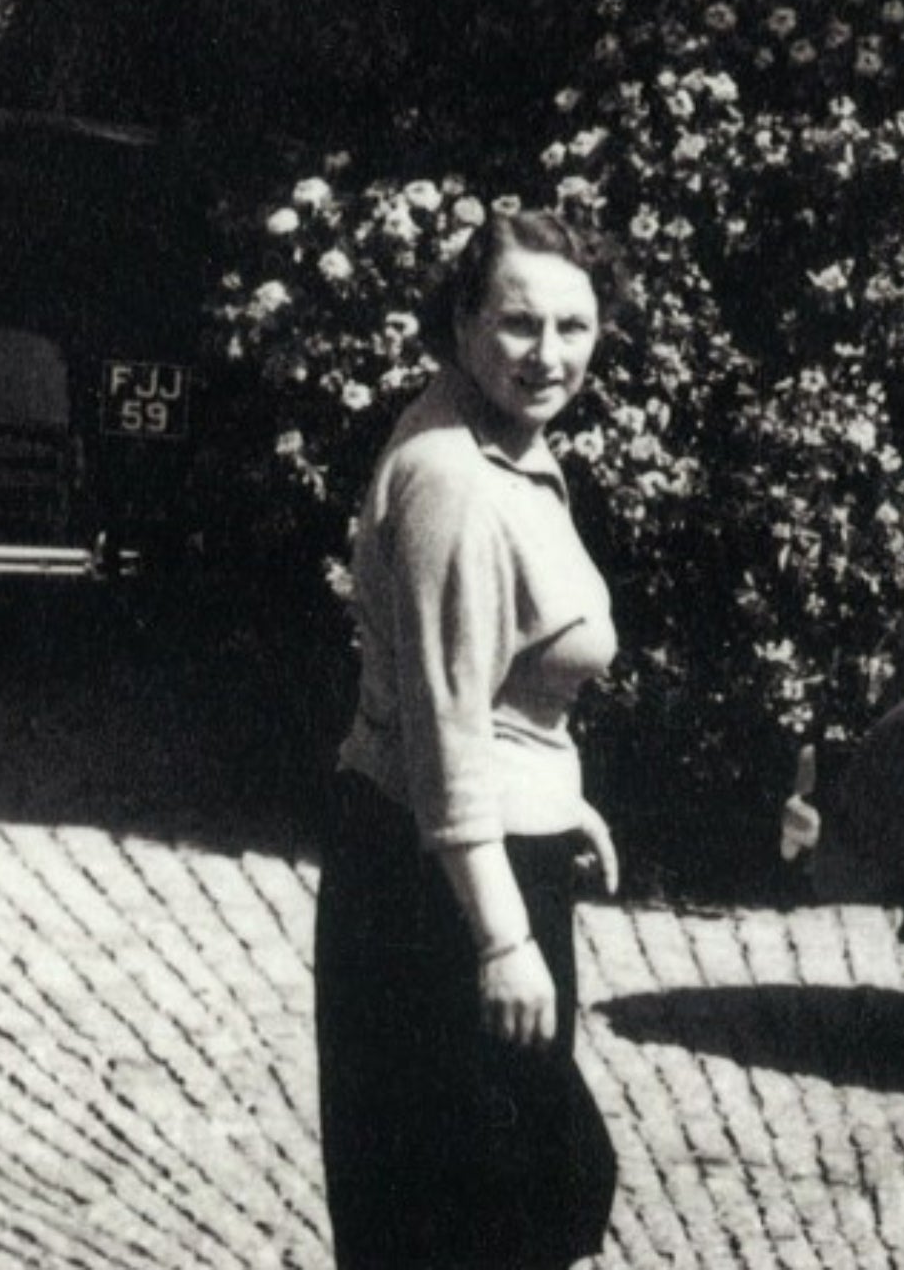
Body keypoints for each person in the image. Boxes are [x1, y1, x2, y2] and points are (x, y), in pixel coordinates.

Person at [314, 207, 623, 1270]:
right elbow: (445, 732)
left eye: (574, 328)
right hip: (443, 886)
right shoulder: (455, 480)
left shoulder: (497, 441)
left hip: (466, 852)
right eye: (520, 324)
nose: (550, 356)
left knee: (517, 1197)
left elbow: (489, 686)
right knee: (497, 1208)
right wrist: (500, 943)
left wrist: (557, 784)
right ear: (461, 321)